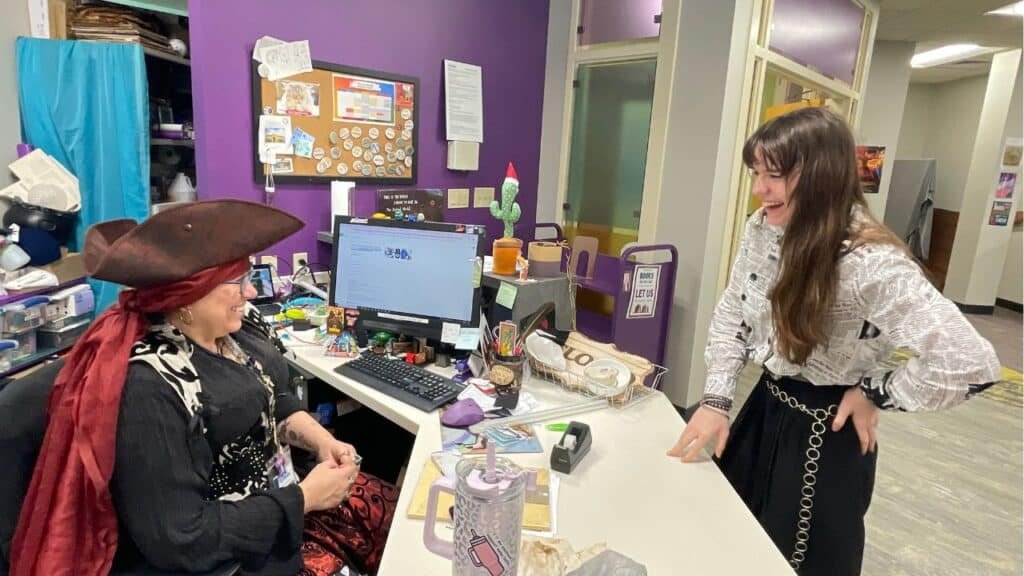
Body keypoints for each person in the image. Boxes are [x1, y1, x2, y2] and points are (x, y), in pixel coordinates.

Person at [666, 107, 1001, 576]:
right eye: (756, 173)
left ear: (821, 175)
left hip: (829, 434)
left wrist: (874, 393)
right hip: (766, 409)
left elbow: (969, 362)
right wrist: (717, 398)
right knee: (733, 543)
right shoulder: (763, 227)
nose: (760, 188)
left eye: (775, 175)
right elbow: (733, 315)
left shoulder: (869, 259)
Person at [11, 200, 397, 576]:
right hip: (232, 555)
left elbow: (270, 396)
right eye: (238, 282)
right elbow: (180, 538)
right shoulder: (150, 386)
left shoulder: (237, 333)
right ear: (188, 296)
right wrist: (305, 499)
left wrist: (318, 439)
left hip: (279, 505)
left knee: (392, 518)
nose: (250, 293)